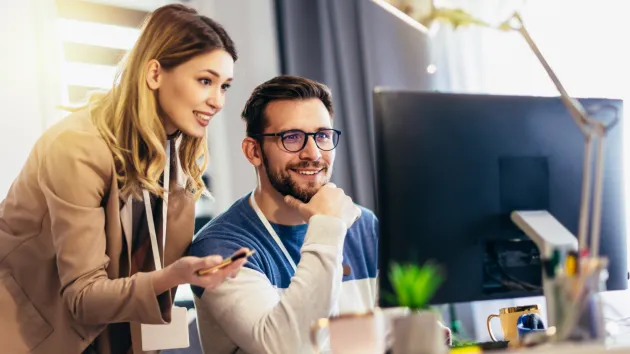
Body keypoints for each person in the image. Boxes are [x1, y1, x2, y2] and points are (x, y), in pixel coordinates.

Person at [0, 4, 248, 354]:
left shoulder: (174, 152)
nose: (217, 101)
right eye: (205, 81)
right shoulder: (76, 148)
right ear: (155, 74)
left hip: (105, 334)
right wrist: (175, 276)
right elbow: (84, 297)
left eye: (224, 86)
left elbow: (140, 266)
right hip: (28, 334)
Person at [189, 75, 374, 354]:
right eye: (292, 137)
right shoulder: (218, 249)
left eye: (322, 135)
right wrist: (328, 227)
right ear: (254, 151)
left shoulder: (365, 226)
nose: (313, 153)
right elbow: (286, 348)